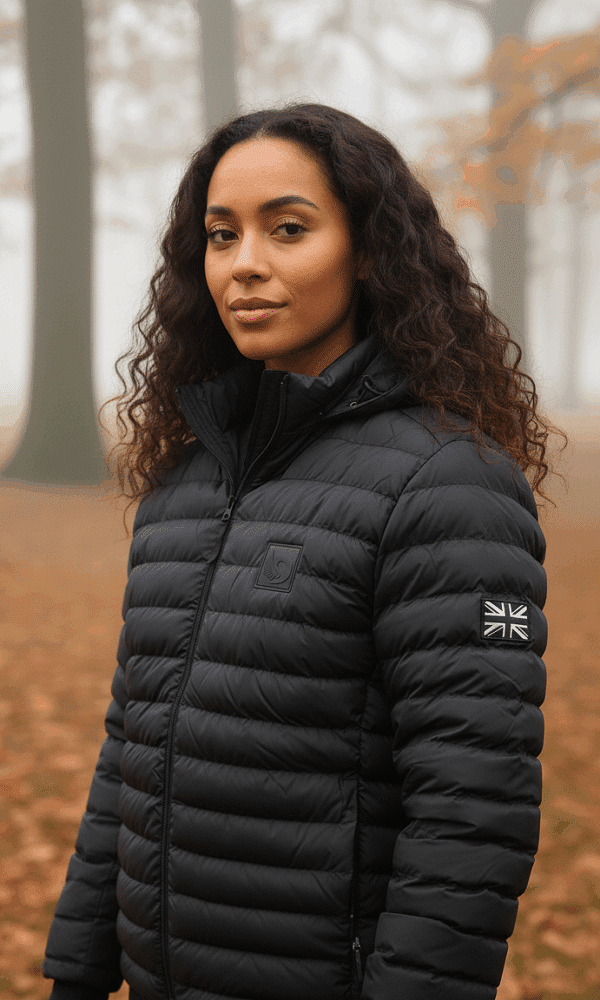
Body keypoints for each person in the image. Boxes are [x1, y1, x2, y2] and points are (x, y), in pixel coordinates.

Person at [43, 102, 563, 1000]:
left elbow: (472, 812)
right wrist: (76, 971)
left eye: (288, 229)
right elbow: (132, 748)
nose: (245, 264)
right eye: (220, 234)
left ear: (368, 252)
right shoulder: (186, 482)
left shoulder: (449, 484)